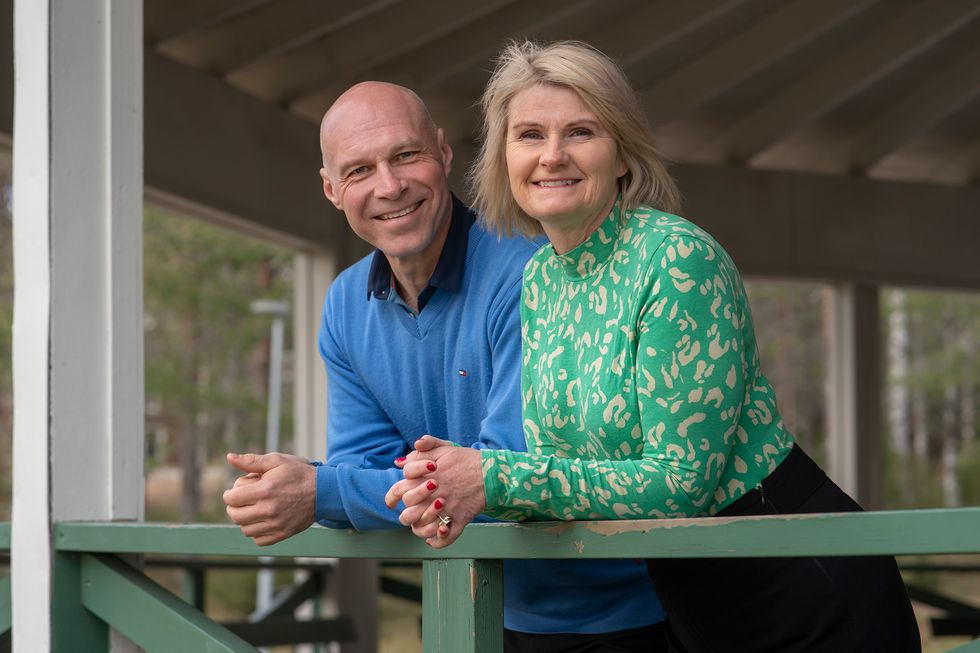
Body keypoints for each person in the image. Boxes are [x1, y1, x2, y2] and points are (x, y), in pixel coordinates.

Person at [386, 41, 922, 652]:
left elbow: (681, 484)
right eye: (529, 134)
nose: (552, 156)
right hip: (694, 600)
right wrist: (444, 483)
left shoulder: (675, 259)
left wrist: (495, 476)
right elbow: (565, 467)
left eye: (580, 132)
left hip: (798, 580)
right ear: (504, 157)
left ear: (620, 153)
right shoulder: (540, 280)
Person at [222, 81, 668, 652]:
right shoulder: (344, 304)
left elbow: (503, 479)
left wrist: (322, 493)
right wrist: (325, 487)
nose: (390, 186)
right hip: (470, 607)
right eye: (359, 171)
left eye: (406, 155)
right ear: (332, 190)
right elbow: (360, 467)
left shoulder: (530, 271)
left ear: (443, 153)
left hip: (619, 615)